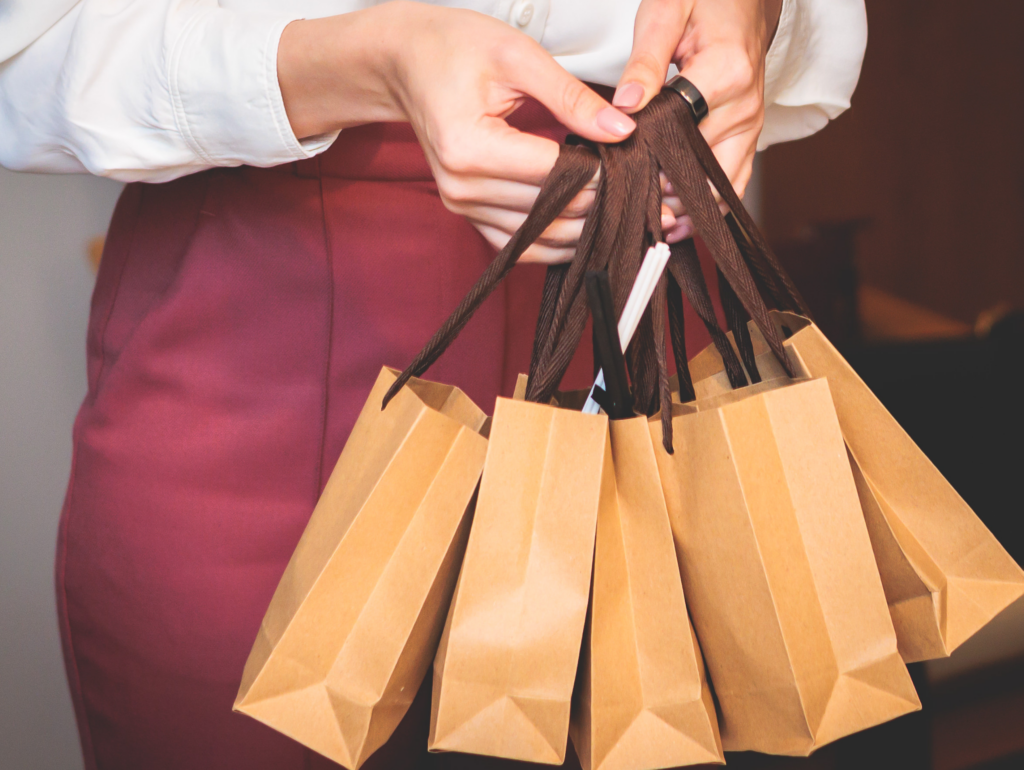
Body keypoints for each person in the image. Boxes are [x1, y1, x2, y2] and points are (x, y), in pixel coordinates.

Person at [0, 1, 867, 769]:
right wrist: (366, 60)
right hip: (272, 318)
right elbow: (22, 52)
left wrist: (755, 13)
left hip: (637, 273)